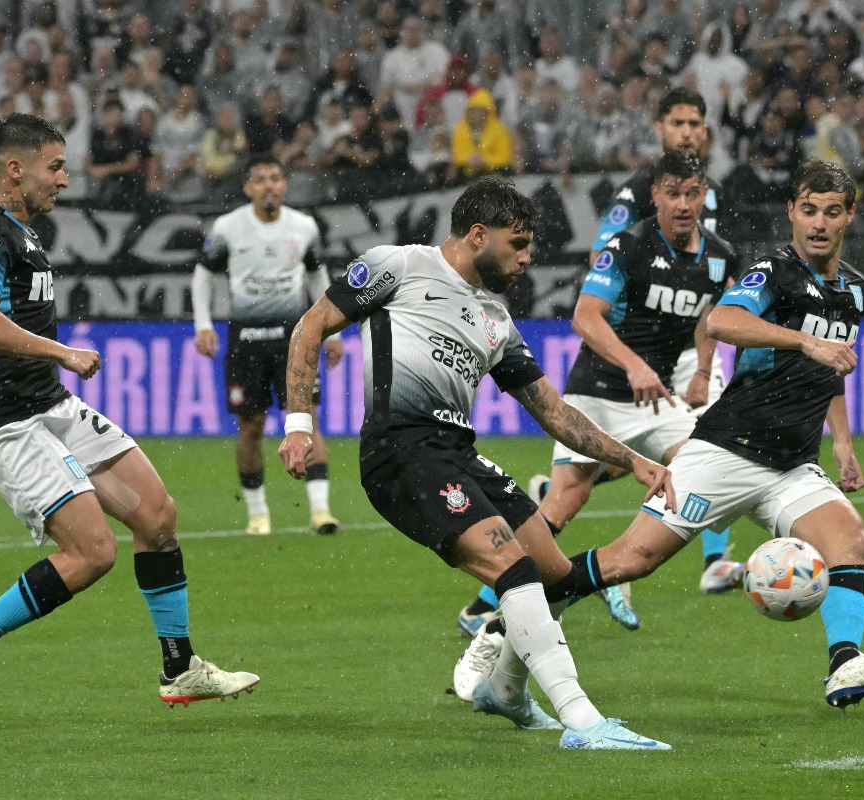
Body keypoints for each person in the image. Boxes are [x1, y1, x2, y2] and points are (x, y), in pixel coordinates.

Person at [505, 160, 864, 709]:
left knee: (851, 542)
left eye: (833, 212)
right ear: (793, 212)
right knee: (629, 561)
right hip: (725, 451)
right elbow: (723, 321)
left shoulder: (856, 291)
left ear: (849, 217)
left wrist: (841, 441)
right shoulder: (772, 271)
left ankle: (844, 665)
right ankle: (504, 638)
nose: (820, 223)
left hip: (790, 464)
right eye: (809, 210)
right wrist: (804, 340)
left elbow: (832, 367)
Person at [278, 175, 674, 751]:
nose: (527, 257)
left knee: (553, 576)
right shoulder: (399, 265)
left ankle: (504, 692)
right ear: (478, 234)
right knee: (509, 568)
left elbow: (553, 411)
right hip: (400, 450)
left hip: (458, 452)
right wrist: (298, 424)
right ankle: (584, 722)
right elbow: (311, 325)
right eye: (518, 244)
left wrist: (632, 459)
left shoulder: (496, 318)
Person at [0, 114, 259, 721]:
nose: (64, 178)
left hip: (49, 405)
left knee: (156, 514)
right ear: (15, 168)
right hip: (10, 423)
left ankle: (179, 665)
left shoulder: (12, 229)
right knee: (93, 552)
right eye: (54, 167)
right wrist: (60, 353)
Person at [459, 87, 740, 638]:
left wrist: (704, 366)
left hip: (664, 376)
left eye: (695, 123)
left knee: (703, 465)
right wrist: (635, 352)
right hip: (607, 378)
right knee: (565, 501)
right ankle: (486, 602)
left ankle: (658, 563)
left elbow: (714, 305)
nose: (683, 204)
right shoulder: (634, 207)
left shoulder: (718, 235)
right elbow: (592, 299)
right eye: (676, 121)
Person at [193, 154, 341, 537]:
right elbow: (203, 276)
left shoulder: (304, 226)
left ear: (285, 185)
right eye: (260, 179)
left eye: (275, 178)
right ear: (248, 188)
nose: (269, 186)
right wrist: (203, 324)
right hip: (247, 340)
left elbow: (317, 276)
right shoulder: (228, 227)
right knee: (251, 426)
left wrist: (333, 330)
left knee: (308, 418)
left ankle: (321, 511)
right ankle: (258, 515)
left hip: (296, 338)